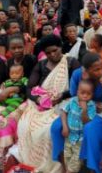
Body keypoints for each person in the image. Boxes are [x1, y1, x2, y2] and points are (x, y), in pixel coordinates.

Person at [17, 35, 80, 172]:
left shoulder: (71, 62)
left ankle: (52, 165)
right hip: (41, 102)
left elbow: (78, 88)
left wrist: (61, 95)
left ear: (61, 48)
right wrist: (38, 99)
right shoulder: (41, 65)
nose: (52, 54)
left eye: (55, 50)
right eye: (48, 53)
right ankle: (30, 161)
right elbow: (29, 88)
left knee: (46, 130)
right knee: (24, 125)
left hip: (65, 101)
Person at [50, 53, 102, 173]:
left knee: (90, 129)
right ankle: (64, 166)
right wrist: (88, 101)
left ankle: (92, 168)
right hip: (79, 105)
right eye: (96, 69)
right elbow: (73, 95)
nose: (101, 72)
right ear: (85, 70)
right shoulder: (77, 74)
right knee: (56, 127)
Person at [61, 80, 96, 173]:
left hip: (81, 139)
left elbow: (87, 121)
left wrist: (84, 110)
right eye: (82, 93)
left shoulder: (91, 106)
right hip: (69, 136)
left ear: (92, 94)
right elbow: (63, 112)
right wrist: (65, 126)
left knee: (76, 161)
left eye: (88, 94)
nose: (85, 96)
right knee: (67, 156)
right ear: (77, 92)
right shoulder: (72, 101)